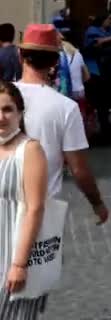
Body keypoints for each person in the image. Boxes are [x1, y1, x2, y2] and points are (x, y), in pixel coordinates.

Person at [15, 24, 108, 225]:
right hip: (43, 213)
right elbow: (79, 169)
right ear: (55, 62)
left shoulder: (4, 97)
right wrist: (97, 202)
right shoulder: (67, 108)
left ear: (20, 55)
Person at [0, 81, 48, 319]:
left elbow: (35, 208)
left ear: (20, 113)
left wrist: (19, 264)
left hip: (10, 257)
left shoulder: (29, 150)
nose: (1, 117)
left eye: (7, 109)